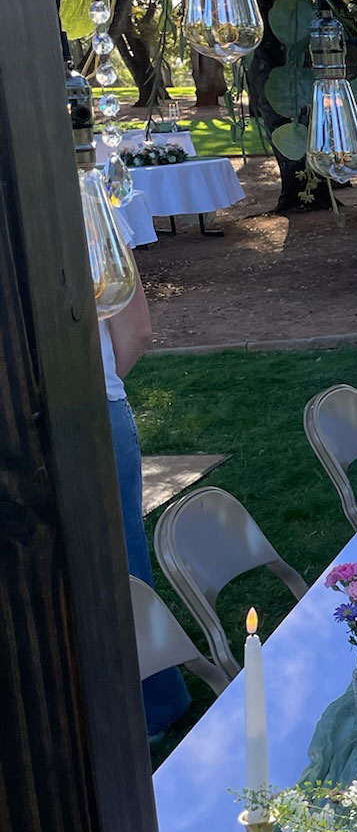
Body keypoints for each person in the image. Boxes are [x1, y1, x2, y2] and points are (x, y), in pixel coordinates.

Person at [101, 282, 190, 736]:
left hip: (87, 410)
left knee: (122, 566)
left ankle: (155, 708)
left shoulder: (91, 210)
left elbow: (133, 329)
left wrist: (86, 387)